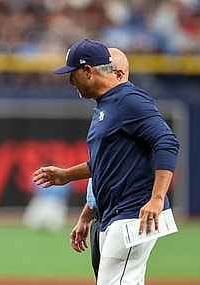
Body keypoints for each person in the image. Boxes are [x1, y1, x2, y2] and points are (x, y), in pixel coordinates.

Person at [33, 39, 179, 284]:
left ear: (88, 71)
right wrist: (68, 178)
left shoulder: (128, 99)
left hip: (134, 213)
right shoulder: (107, 104)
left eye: (72, 73)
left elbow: (167, 142)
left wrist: (156, 199)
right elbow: (106, 164)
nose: (70, 81)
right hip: (116, 213)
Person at [71, 47, 130, 278]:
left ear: (119, 73)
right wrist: (86, 216)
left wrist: (156, 199)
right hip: (101, 216)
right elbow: (102, 170)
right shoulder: (104, 109)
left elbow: (166, 144)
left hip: (122, 214)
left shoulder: (129, 107)